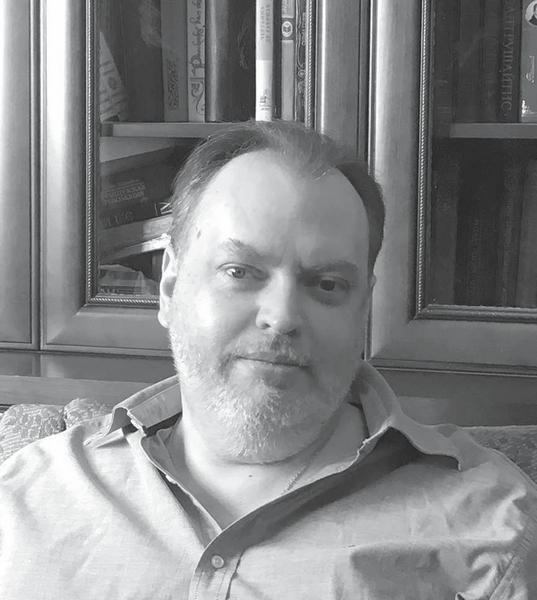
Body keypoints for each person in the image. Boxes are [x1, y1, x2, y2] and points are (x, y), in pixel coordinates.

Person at [1, 120, 537, 599]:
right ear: (169, 286)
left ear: (363, 308)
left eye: (327, 284)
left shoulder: (495, 530)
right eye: (240, 272)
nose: (281, 316)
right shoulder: (25, 499)